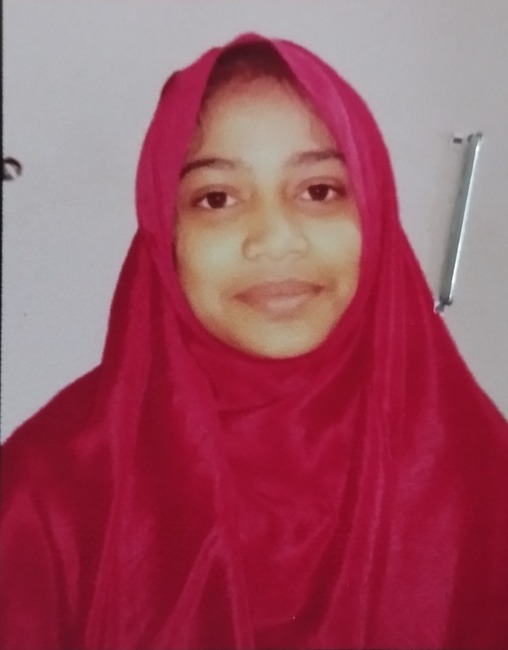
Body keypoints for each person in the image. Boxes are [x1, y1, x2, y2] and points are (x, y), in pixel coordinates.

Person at [1, 32, 507, 650]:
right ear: (165, 233)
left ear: (375, 213)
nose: (273, 239)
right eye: (216, 199)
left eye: (319, 191)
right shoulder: (47, 492)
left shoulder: (482, 480)